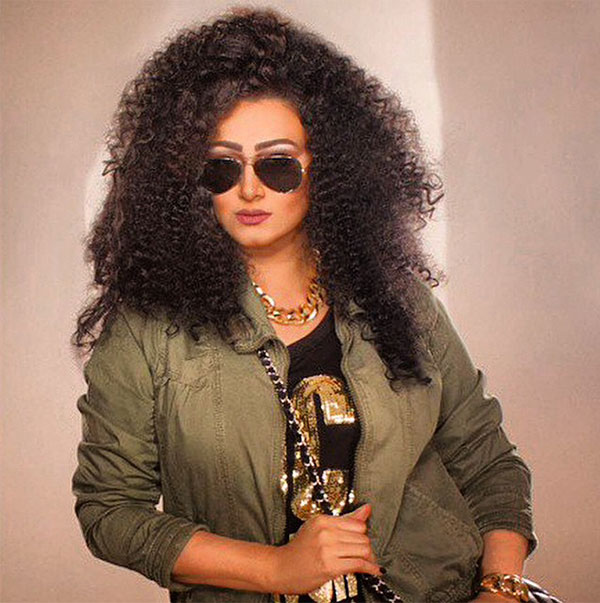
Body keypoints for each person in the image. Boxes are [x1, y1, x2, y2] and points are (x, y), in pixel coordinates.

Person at [71, 7, 536, 603]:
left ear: (329, 168)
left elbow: (487, 461)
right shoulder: (146, 331)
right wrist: (273, 569)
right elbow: (110, 511)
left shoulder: (398, 304)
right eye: (221, 167)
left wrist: (501, 588)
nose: (249, 188)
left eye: (278, 164)